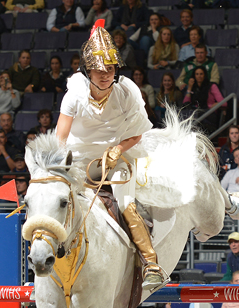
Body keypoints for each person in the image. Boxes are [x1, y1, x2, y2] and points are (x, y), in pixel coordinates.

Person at [55, 21, 166, 288]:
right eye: (99, 69)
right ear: (87, 71)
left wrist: (116, 150)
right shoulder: (74, 96)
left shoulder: (127, 92)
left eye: (111, 68)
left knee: (125, 202)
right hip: (79, 160)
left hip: (117, 156)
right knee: (57, 199)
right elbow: (60, 136)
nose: (105, 74)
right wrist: (60, 167)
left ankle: (151, 264)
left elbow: (138, 132)